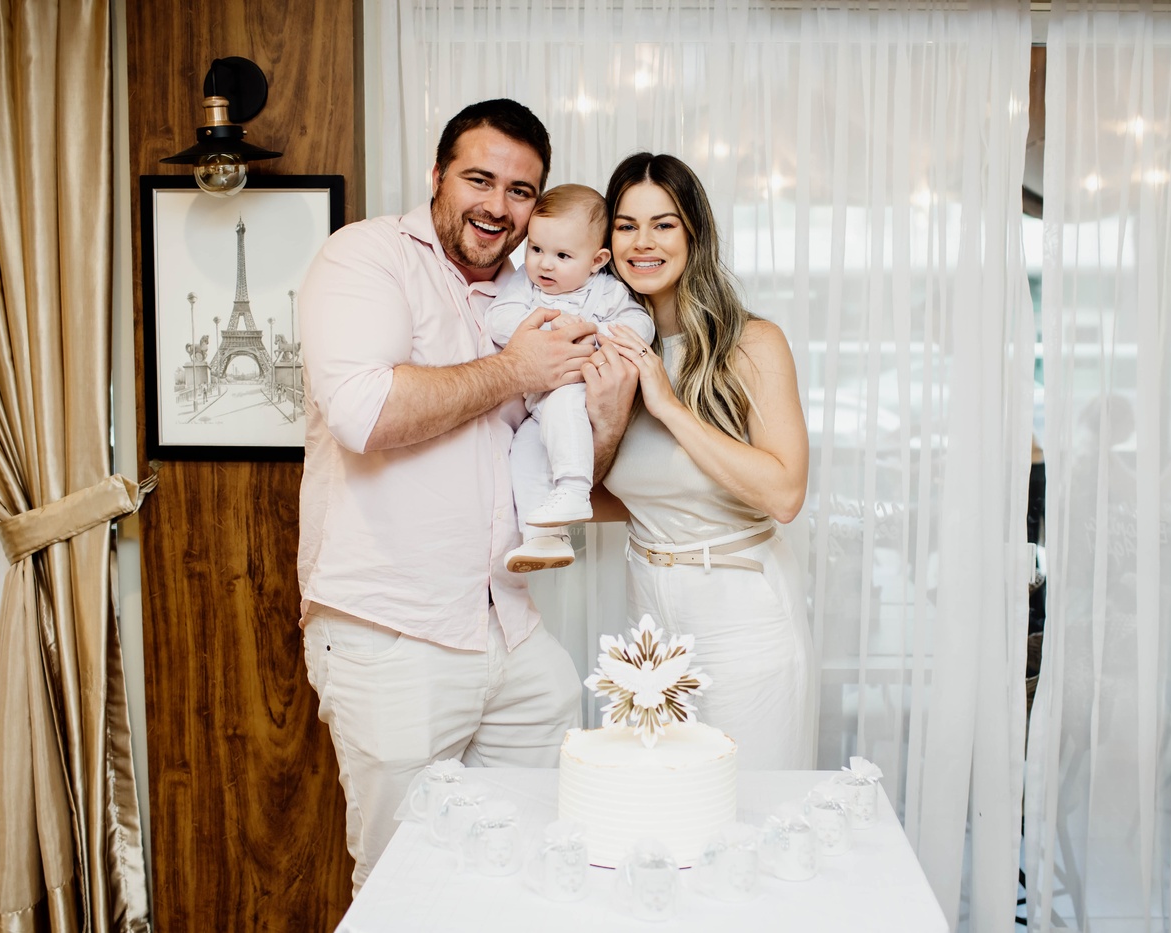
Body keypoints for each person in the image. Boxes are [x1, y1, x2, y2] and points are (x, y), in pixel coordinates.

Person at [296, 99, 627, 894]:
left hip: (510, 627)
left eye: (521, 191)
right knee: (403, 883)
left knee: (532, 867)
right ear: (437, 174)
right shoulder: (367, 256)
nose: (498, 205)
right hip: (392, 629)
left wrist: (608, 416)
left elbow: (565, 468)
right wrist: (515, 370)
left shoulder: (534, 288)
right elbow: (364, 413)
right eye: (479, 179)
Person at [587, 152, 815, 770]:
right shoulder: (611, 349)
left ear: (694, 233)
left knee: (749, 800)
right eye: (626, 225)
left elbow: (785, 494)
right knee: (657, 799)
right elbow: (608, 494)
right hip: (646, 614)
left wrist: (667, 406)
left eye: (663, 224)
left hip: (740, 613)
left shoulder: (753, 344)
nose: (643, 242)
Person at [484, 183, 655, 573]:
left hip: (578, 393)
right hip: (537, 408)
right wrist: (547, 331)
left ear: (597, 260)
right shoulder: (525, 285)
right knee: (523, 454)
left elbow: (640, 325)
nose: (544, 265)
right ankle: (543, 537)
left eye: (562, 255)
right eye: (536, 249)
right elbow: (498, 319)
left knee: (563, 407)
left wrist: (595, 333)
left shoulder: (606, 290)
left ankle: (575, 489)